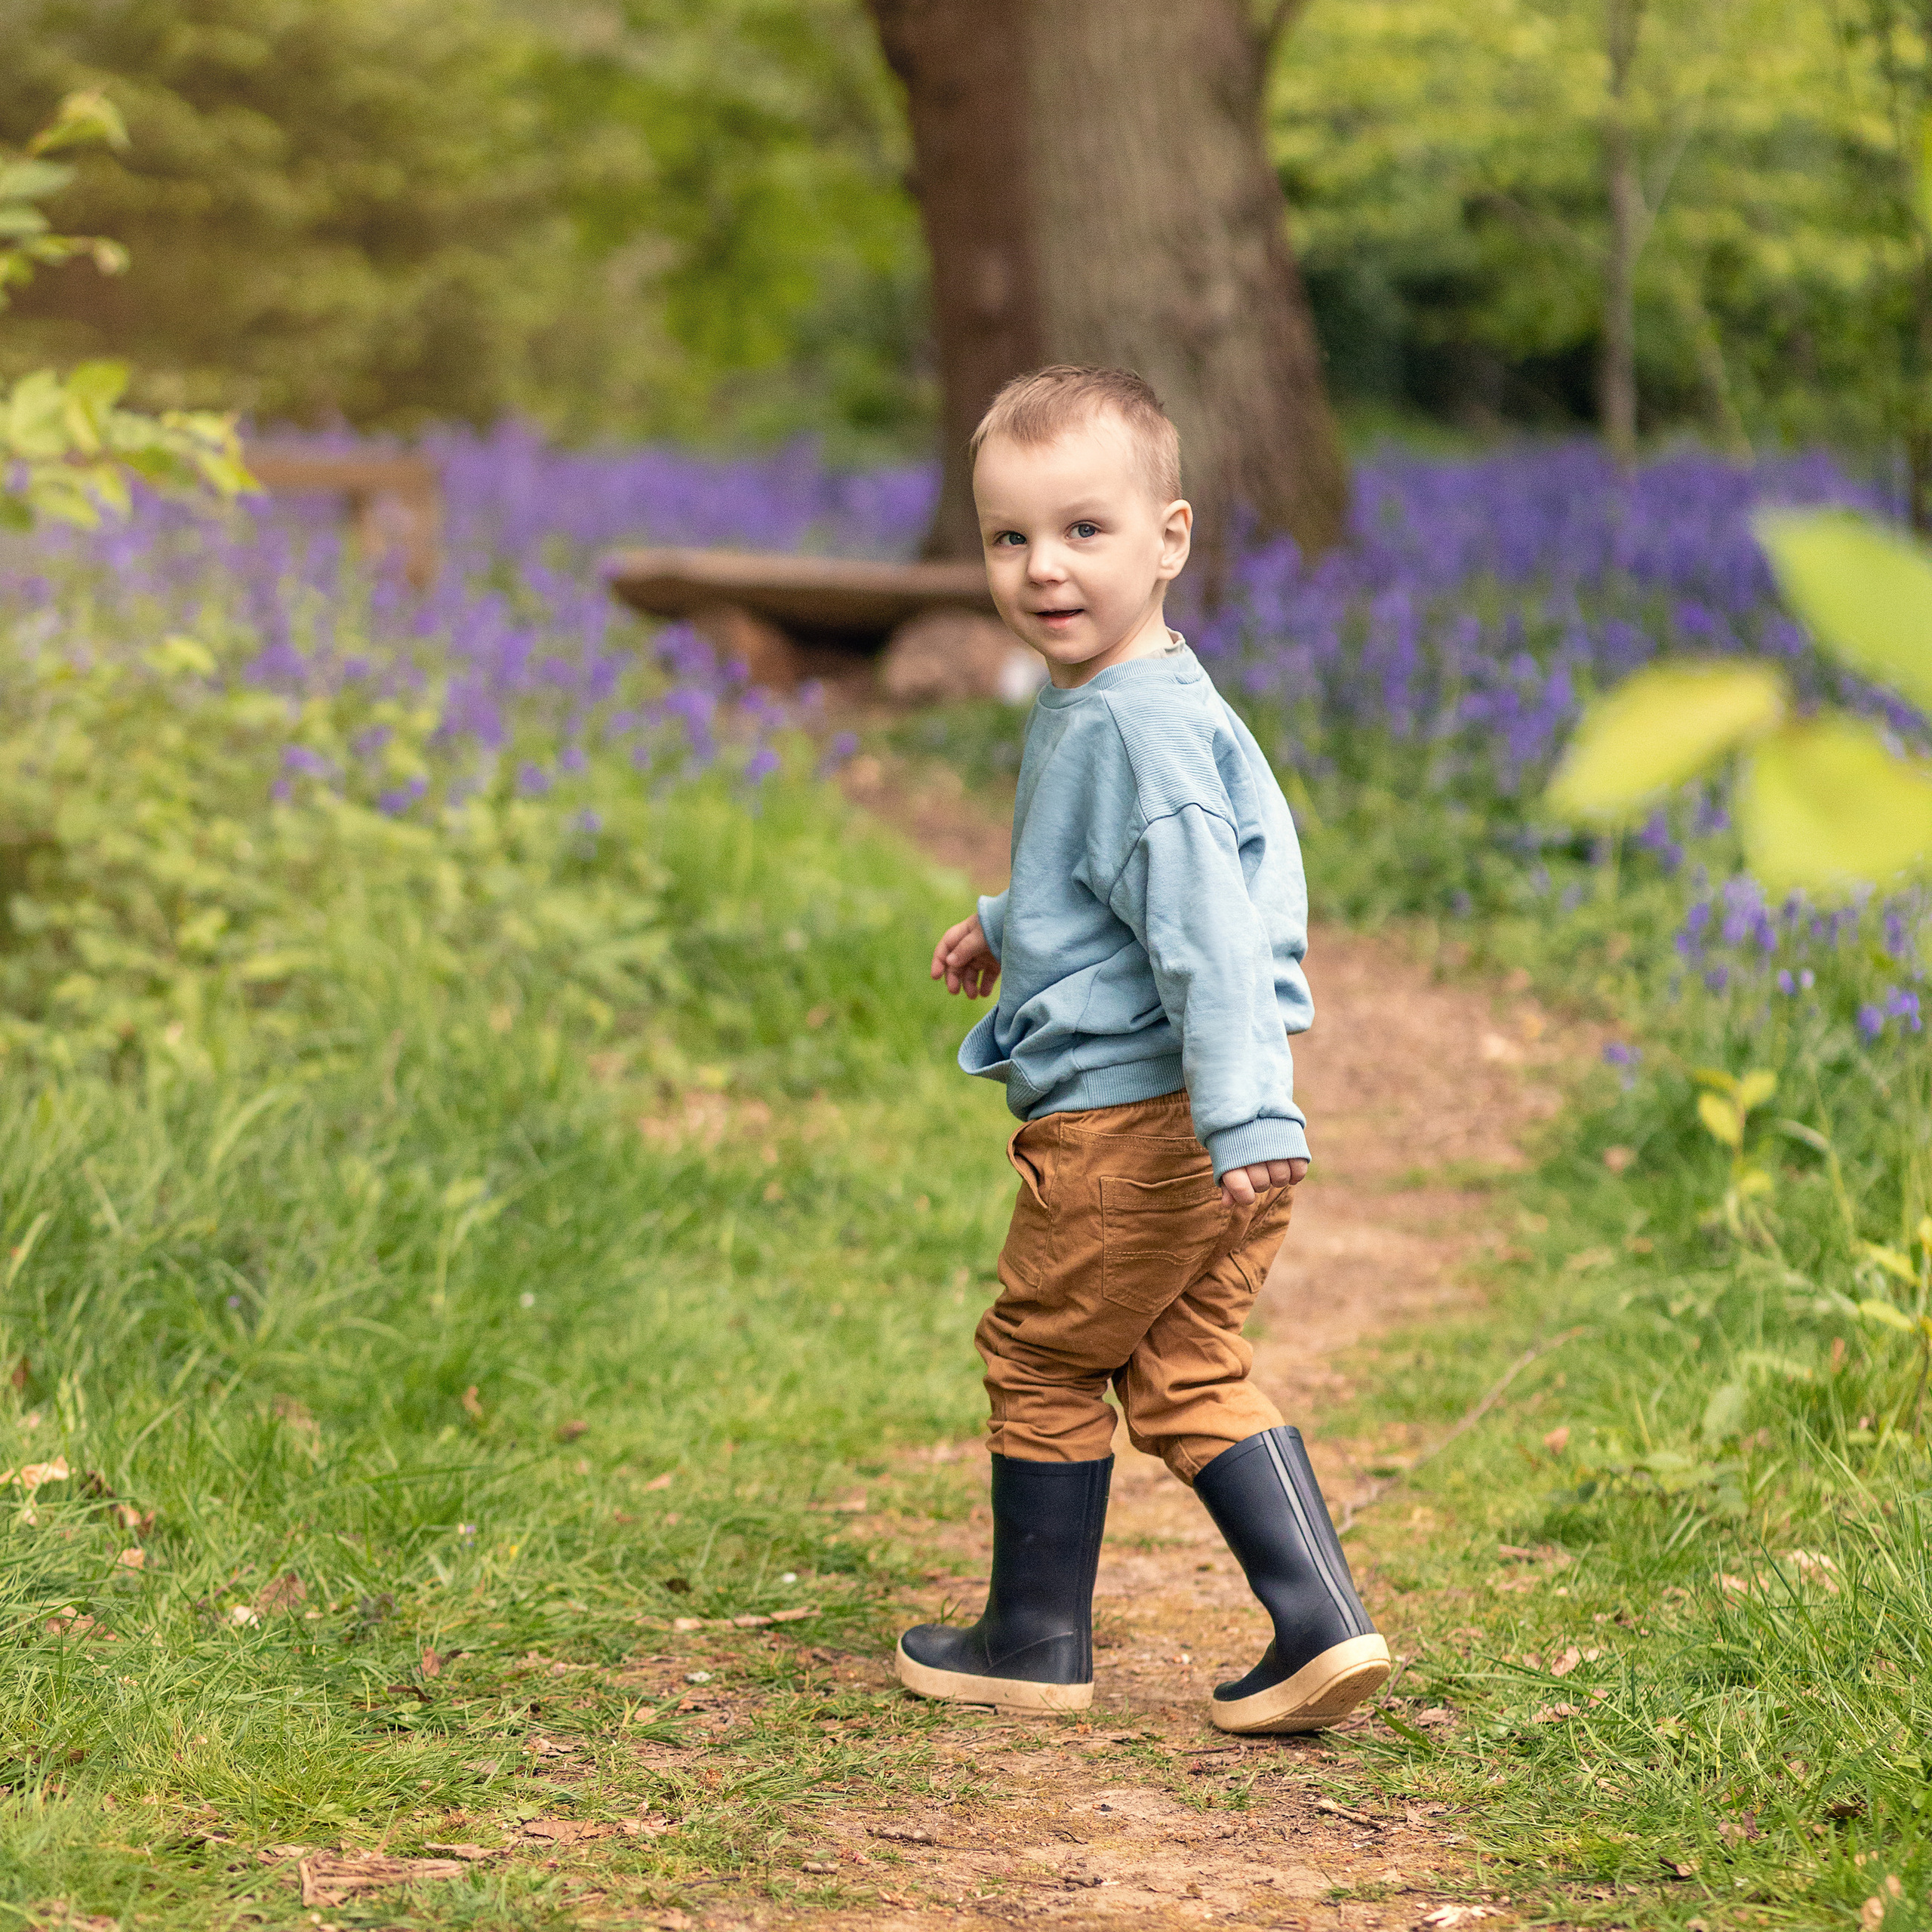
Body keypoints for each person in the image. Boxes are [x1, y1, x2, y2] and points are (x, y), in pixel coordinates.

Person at [894, 365, 1389, 1735]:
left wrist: (1247, 1122)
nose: (1044, 568)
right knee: (1184, 1366)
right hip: (1201, 1127)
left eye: (1084, 530)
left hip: (1140, 1126)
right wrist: (1010, 922)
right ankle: (1319, 1625)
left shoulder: (1128, 729)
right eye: (1011, 537)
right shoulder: (1147, 696)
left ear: (1170, 537)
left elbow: (1209, 939)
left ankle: (1033, 1638)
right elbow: (1131, 887)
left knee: (1046, 1357)